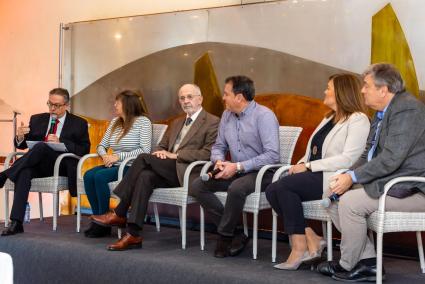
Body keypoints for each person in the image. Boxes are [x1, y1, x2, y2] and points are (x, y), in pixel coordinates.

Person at [317, 63, 425, 282]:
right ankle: (368, 262)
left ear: (383, 90)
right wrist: (347, 174)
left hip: (411, 190)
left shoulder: (408, 109)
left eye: (366, 85)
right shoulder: (382, 111)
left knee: (350, 202)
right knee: (332, 192)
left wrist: (353, 178)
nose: (362, 90)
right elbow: (369, 153)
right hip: (389, 184)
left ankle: (348, 263)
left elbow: (390, 158)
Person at [91, 83, 220, 250]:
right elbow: (161, 146)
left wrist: (175, 155)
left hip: (188, 172)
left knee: (143, 158)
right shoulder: (177, 122)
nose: (185, 101)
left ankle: (120, 211)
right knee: (145, 176)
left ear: (200, 99)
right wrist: (160, 153)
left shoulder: (213, 122)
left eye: (190, 97)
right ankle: (134, 235)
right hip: (167, 169)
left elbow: (207, 154)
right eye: (182, 98)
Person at [265, 74, 370, 270]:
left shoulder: (358, 119)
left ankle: (299, 247)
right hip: (315, 174)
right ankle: (311, 237)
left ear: (341, 92)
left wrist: (309, 167)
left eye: (328, 88)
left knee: (284, 187)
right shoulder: (328, 118)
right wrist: (301, 164)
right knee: (272, 190)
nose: (325, 91)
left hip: (333, 177)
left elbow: (349, 158)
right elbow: (312, 152)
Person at [189, 75, 280, 258]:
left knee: (236, 187)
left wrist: (238, 166)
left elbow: (273, 155)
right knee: (198, 185)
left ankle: (224, 237)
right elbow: (218, 146)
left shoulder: (264, 116)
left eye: (226, 94)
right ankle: (236, 232)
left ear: (239, 97)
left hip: (263, 173)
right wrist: (219, 161)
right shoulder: (227, 115)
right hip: (235, 170)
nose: (223, 98)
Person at [0, 88, 90, 236]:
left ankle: (4, 176)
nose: (52, 108)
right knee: (25, 171)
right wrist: (20, 137)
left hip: (61, 164)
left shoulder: (78, 123)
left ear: (66, 105)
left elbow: (84, 149)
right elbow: (23, 145)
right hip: (39, 164)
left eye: (57, 105)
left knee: (42, 145)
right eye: (50, 104)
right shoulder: (37, 119)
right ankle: (16, 222)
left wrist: (62, 141)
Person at [83, 90, 152, 238]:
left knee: (100, 177)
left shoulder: (143, 122)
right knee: (89, 175)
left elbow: (145, 150)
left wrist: (117, 156)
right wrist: (105, 155)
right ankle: (98, 219)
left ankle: (104, 223)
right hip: (114, 163)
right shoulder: (115, 122)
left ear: (128, 104)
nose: (114, 105)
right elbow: (101, 145)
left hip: (131, 166)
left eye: (118, 102)